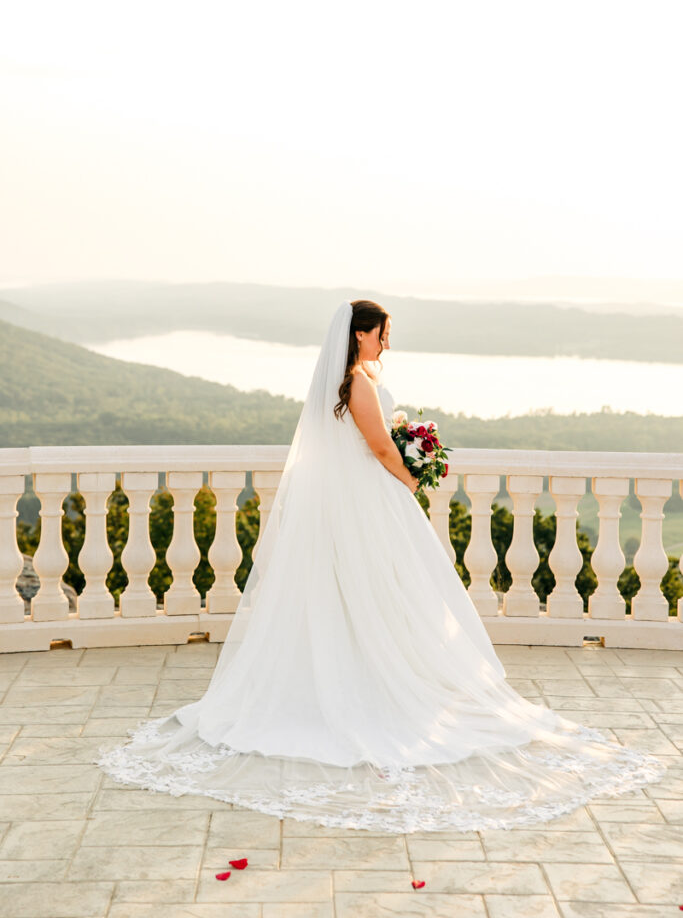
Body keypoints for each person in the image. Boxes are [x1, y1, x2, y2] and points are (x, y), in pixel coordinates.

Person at [95, 299, 666, 833]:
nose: (385, 345)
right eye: (381, 335)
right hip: (367, 501)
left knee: (379, 592)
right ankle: (371, 689)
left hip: (359, 500)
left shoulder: (354, 383)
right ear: (359, 334)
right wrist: (412, 475)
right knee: (380, 590)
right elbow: (379, 448)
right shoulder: (356, 384)